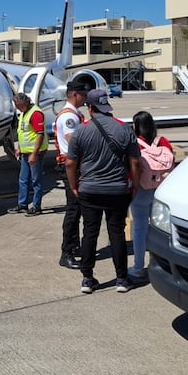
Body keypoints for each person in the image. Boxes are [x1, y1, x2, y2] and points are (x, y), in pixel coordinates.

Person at [65, 88, 141, 294]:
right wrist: (135, 185)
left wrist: (73, 185)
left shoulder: (81, 131)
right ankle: (122, 279)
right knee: (116, 232)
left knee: (90, 232)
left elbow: (70, 163)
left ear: (90, 108)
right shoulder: (124, 128)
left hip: (89, 190)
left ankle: (87, 279)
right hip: (117, 190)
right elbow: (135, 162)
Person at [129, 111, 175, 280]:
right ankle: (165, 265)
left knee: (139, 229)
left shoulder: (135, 143)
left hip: (141, 190)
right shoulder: (163, 141)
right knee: (162, 230)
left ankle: (138, 267)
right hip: (161, 191)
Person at [54, 81, 89, 269]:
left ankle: (74, 246)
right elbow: (74, 143)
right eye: (83, 94)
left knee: (77, 209)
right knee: (73, 210)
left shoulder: (72, 114)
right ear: (75, 94)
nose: (85, 98)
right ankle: (66, 252)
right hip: (72, 166)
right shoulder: (69, 117)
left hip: (74, 165)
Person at [8, 92, 47, 215]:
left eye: (18, 106)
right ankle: (22, 204)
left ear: (24, 103)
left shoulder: (35, 114)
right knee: (23, 179)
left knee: (36, 180)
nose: (17, 108)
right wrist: (19, 148)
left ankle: (36, 206)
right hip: (25, 152)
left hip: (35, 153)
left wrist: (34, 154)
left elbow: (40, 134)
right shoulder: (24, 113)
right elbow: (23, 133)